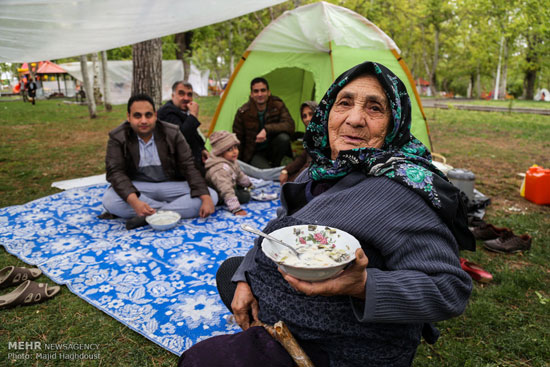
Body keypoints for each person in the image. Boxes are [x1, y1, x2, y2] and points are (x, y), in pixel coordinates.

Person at [180, 61, 475, 367]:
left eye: (374, 108)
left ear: (394, 123)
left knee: (197, 361)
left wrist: (362, 286)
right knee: (231, 270)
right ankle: (265, 322)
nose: (355, 119)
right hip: (289, 313)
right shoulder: (320, 169)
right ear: (327, 113)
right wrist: (245, 279)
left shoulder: (400, 190)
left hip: (338, 346)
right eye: (344, 103)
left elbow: (450, 289)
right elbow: (279, 226)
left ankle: (275, 341)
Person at [101, 94, 217, 230]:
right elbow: (115, 172)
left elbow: (189, 166)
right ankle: (168, 211)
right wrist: (135, 202)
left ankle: (148, 215)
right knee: (109, 199)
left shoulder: (172, 133)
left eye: (148, 115)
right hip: (139, 187)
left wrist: (205, 197)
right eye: (137, 116)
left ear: (155, 115)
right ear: (128, 117)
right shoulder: (118, 137)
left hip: (171, 184)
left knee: (211, 196)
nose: (144, 121)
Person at [233, 77, 295, 168]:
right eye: (256, 91)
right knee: (266, 173)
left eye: (263, 90)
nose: (260, 94)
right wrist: (238, 164)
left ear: (268, 92)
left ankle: (276, 164)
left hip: (273, 148)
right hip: (254, 152)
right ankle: (270, 168)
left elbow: (290, 125)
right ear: (251, 94)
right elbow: (238, 140)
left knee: (283, 138)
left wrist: (266, 129)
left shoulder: (277, 105)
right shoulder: (243, 113)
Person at [157, 81, 209, 175]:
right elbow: (181, 137)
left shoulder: (182, 112)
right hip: (180, 169)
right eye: (181, 94)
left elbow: (194, 135)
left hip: (195, 161)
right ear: (173, 96)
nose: (186, 98)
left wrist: (202, 149)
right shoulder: (167, 113)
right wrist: (193, 115)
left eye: (189, 95)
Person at [205, 131, 253, 216]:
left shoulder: (231, 161)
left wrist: (248, 184)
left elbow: (239, 174)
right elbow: (225, 189)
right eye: (230, 150)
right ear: (220, 152)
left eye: (236, 147)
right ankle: (226, 202)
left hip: (228, 186)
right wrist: (236, 208)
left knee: (243, 190)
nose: (235, 151)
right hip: (219, 194)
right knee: (245, 196)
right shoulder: (219, 169)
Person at [279, 101, 318, 184]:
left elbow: (310, 165)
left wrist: (292, 181)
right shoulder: (309, 135)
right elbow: (302, 158)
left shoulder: (325, 136)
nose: (307, 119)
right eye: (304, 116)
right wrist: (285, 170)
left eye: (311, 114)